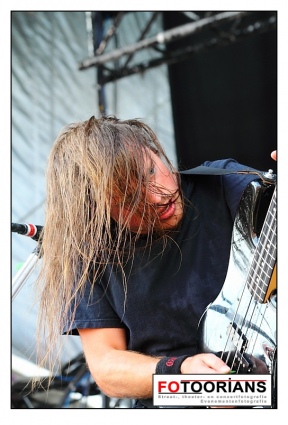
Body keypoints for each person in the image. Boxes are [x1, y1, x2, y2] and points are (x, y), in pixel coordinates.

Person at [35, 115, 276, 408]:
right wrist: (185, 375)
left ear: (154, 149)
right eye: (129, 197)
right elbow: (108, 369)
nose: (157, 196)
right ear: (98, 210)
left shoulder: (224, 183)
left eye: (151, 170)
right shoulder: (89, 256)